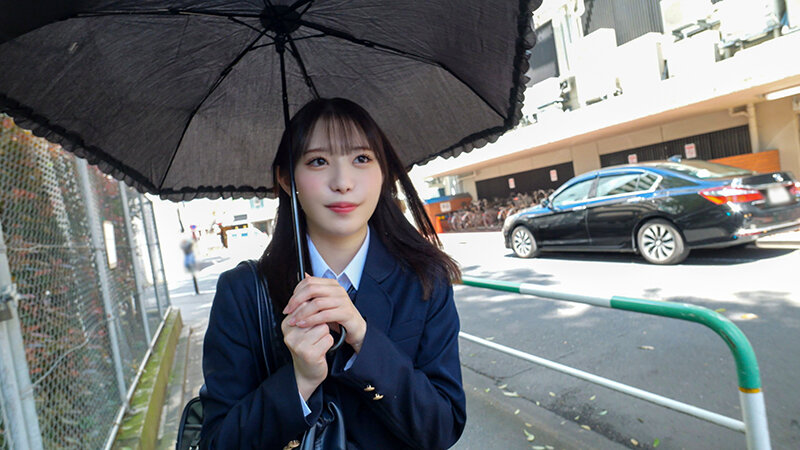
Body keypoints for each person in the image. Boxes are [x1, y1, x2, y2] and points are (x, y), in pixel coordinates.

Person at [200, 98, 465, 449]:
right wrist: (299, 381)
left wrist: (363, 340)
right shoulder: (243, 293)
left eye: (361, 159)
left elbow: (442, 427)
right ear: (286, 179)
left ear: (384, 172)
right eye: (318, 161)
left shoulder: (424, 280)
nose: (342, 182)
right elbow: (217, 442)